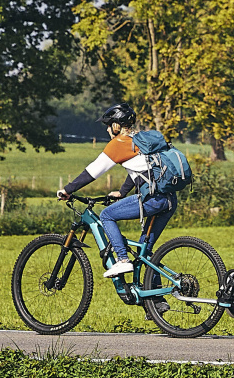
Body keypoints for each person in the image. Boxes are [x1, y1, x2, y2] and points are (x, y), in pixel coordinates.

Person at [57, 103, 178, 291]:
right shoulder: (139, 141)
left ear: (116, 126)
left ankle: (122, 259)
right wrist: (122, 192)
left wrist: (68, 190)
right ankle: (156, 301)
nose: (106, 129)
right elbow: (140, 170)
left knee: (106, 215)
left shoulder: (119, 143)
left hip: (153, 199)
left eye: (108, 125)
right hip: (169, 199)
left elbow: (93, 172)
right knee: (144, 251)